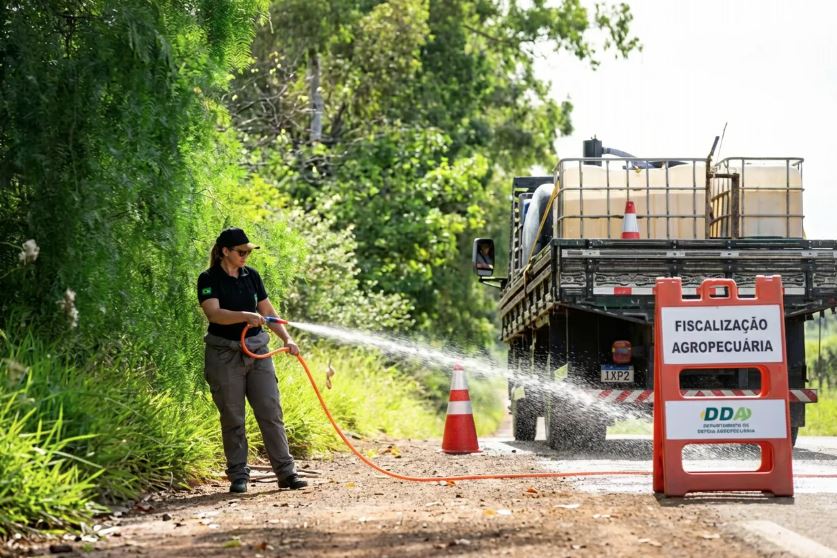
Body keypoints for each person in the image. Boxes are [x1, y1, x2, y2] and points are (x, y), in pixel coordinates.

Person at [197, 227, 307, 493]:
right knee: (233, 417)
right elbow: (214, 314)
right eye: (241, 251)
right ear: (225, 251)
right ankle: (239, 476)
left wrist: (287, 339)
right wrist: (245, 316)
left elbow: (267, 311)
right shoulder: (208, 278)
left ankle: (286, 473)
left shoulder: (252, 276)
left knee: (271, 411)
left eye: (248, 252)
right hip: (224, 354)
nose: (246, 256)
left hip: (257, 351)